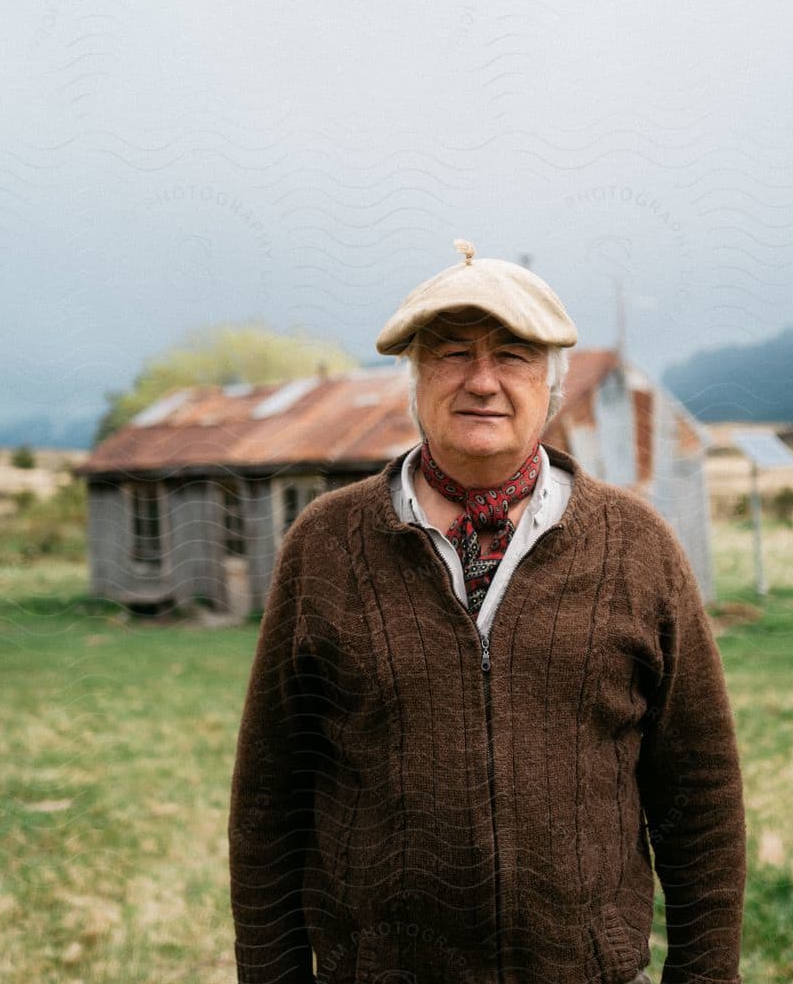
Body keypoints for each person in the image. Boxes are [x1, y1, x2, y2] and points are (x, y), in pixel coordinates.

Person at [228, 239, 746, 984]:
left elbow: (700, 795)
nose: (482, 380)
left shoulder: (638, 547)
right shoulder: (326, 545)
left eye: (512, 355)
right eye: (451, 354)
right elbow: (270, 798)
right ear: (413, 378)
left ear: (552, 385)